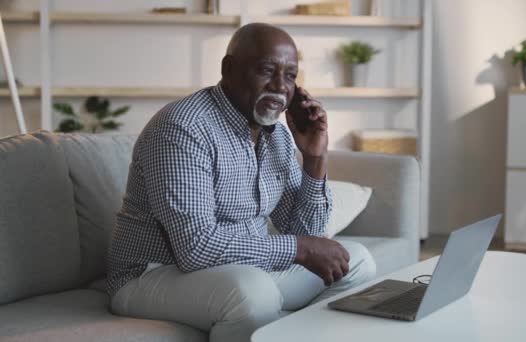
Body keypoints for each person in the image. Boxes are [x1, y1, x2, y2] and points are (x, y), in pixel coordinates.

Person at [107, 23, 376, 342]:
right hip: (153, 275)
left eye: (290, 75)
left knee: (356, 261)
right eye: (266, 70)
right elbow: (196, 247)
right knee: (253, 292)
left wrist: (315, 159)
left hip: (243, 271)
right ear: (228, 69)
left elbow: (308, 233)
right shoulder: (183, 129)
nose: (280, 86)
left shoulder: (275, 135)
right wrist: (299, 249)